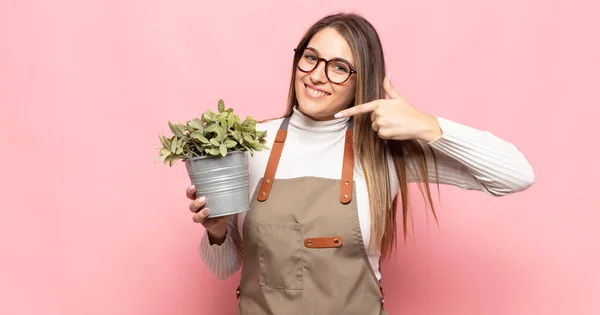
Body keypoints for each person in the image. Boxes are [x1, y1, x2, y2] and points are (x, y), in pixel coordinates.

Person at [186, 12, 535, 315]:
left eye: (339, 67)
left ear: (361, 82)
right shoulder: (250, 145)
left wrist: (427, 124)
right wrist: (215, 231)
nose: (317, 75)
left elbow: (515, 175)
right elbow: (224, 269)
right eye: (310, 57)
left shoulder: (384, 150)